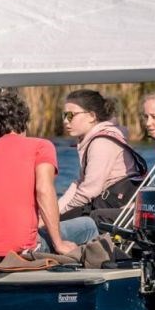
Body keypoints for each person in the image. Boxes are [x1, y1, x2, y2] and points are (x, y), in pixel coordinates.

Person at [0, 92, 99, 269]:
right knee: (87, 225)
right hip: (20, 256)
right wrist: (59, 244)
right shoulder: (41, 146)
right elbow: (43, 190)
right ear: (25, 120)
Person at [58, 89, 147, 220]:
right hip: (107, 202)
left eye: (71, 115)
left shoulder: (101, 142)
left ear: (92, 116)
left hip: (114, 206)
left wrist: (57, 217)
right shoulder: (93, 138)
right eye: (64, 115)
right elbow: (80, 184)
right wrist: (55, 210)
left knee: (52, 228)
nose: (66, 121)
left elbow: (89, 191)